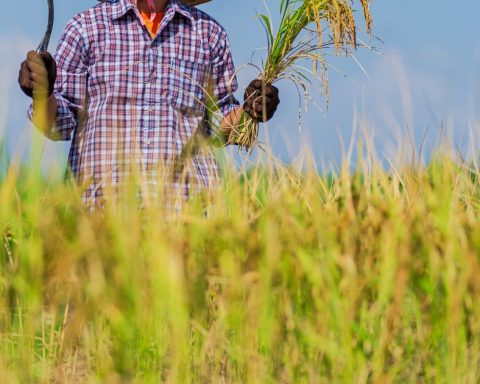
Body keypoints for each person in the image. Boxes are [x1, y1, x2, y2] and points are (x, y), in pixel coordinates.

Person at [18, 0, 280, 208]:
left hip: (189, 214)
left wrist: (250, 113)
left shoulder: (208, 35)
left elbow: (217, 125)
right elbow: (56, 126)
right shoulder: (85, 29)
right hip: (102, 214)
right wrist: (42, 94)